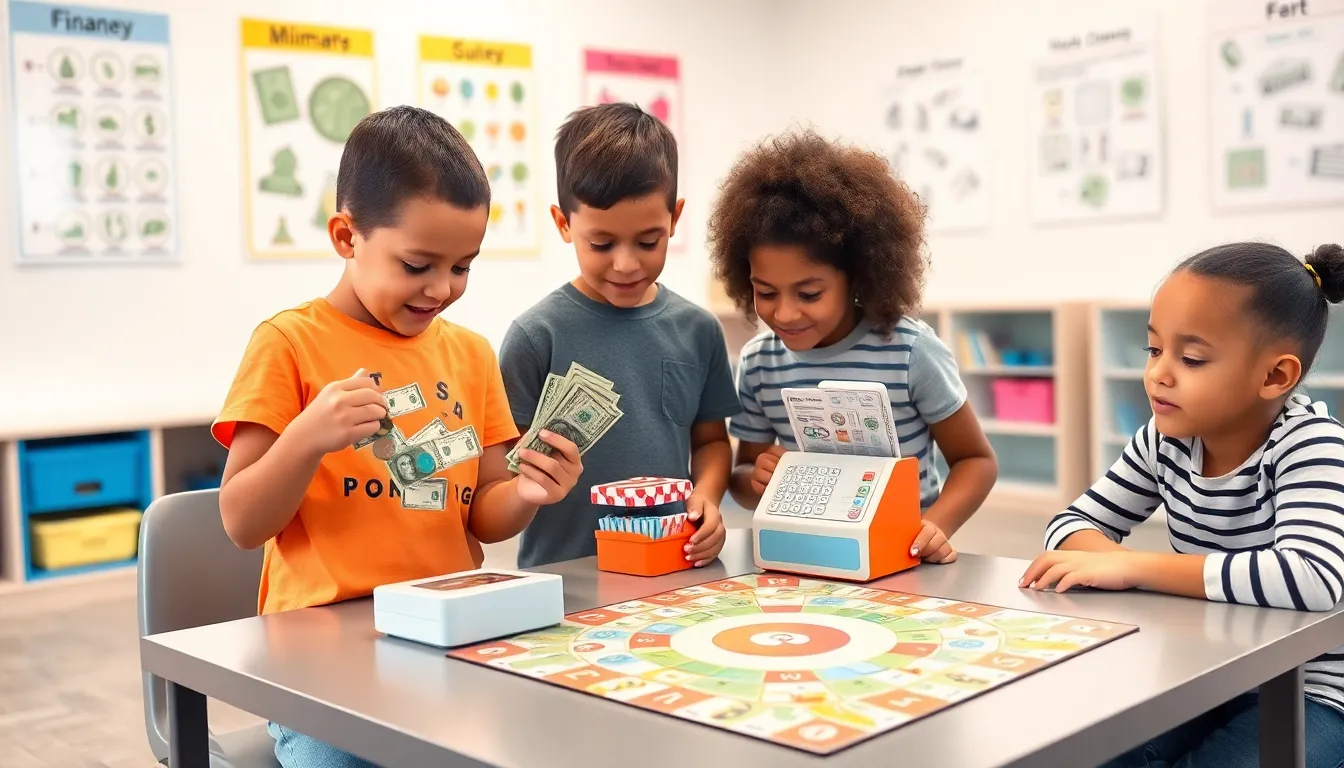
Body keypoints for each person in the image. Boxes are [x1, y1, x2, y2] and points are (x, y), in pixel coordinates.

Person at [212, 106, 583, 768]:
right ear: (346, 237)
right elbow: (241, 521)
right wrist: (305, 439)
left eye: (463, 266)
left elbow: (485, 514)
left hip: (449, 635)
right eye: (417, 264)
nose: (441, 289)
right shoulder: (288, 345)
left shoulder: (469, 355)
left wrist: (526, 493)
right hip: (318, 659)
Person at [1021, 242, 1344, 767]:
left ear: (1275, 377)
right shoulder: (1165, 440)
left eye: (1191, 358)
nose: (1158, 374)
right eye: (1154, 350)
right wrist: (1109, 561)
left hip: (1314, 690)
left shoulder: (1311, 444)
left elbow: (1310, 578)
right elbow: (1072, 523)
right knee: (1094, 751)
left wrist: (1134, 568)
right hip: (1209, 669)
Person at [709, 128, 997, 564]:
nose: (785, 314)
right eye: (766, 292)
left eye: (809, 294)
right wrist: (757, 480)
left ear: (859, 277)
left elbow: (976, 461)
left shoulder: (910, 352)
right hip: (804, 555)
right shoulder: (759, 362)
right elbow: (742, 477)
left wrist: (935, 525)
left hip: (902, 557)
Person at [498, 102, 740, 569]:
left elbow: (710, 441)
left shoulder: (698, 330)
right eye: (602, 243)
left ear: (675, 218)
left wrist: (707, 498)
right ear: (563, 224)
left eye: (648, 242)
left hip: (673, 567)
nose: (626, 264)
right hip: (565, 577)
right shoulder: (535, 336)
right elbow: (506, 475)